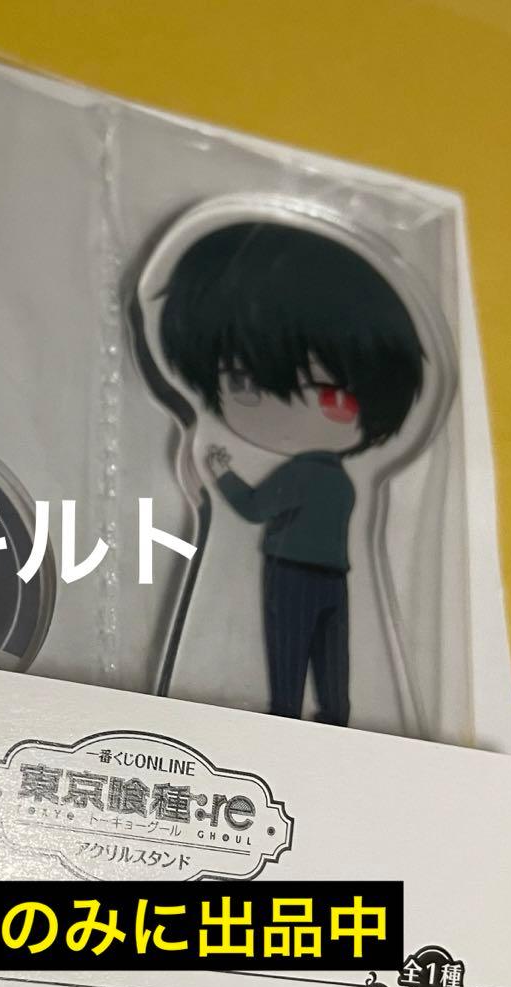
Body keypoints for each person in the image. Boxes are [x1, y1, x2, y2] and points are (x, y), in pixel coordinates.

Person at [158, 223, 425, 725]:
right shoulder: (339, 479)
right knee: (331, 668)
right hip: (334, 576)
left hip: (293, 574)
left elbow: (253, 508)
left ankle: (287, 724)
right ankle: (331, 722)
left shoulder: (307, 474)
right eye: (244, 381)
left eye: (331, 394)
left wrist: (221, 472)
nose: (289, 405)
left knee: (289, 665)